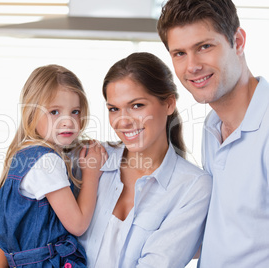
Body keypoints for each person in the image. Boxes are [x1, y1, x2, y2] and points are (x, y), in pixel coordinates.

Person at [157, 0, 269, 267]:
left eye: (204, 47)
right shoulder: (212, 125)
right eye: (179, 53)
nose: (192, 66)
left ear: (238, 41)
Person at [79, 52, 212, 267]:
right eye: (114, 109)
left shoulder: (193, 188)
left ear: (169, 104)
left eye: (137, 105)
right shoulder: (91, 158)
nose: (123, 121)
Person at [0, 64, 107, 268]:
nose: (67, 121)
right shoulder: (47, 161)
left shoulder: (22, 157)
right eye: (54, 111)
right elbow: (78, 225)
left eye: (75, 112)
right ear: (31, 114)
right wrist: (91, 173)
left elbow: (4, 244)